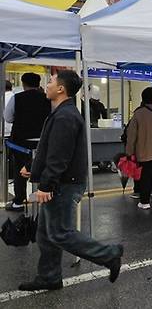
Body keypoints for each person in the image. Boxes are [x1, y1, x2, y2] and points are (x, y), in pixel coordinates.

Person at [18, 70, 123, 291]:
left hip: (64, 184)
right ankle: (49, 277)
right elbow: (50, 148)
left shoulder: (65, 116)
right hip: (62, 182)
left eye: (51, 81)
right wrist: (34, 168)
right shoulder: (62, 112)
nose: (47, 85)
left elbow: (59, 157)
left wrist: (46, 184)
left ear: (61, 89)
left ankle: (110, 255)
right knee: (46, 234)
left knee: (60, 233)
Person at [4, 73, 50, 211]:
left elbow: (8, 118)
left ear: (23, 84)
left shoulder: (17, 98)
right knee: (43, 170)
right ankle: (44, 199)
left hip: (21, 143)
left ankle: (18, 201)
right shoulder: (47, 98)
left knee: (20, 172)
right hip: (43, 142)